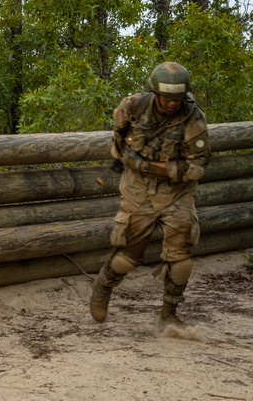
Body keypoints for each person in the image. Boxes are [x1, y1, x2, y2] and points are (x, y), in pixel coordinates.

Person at [90, 61, 211, 327]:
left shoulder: (192, 117)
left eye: (177, 98)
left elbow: (196, 167)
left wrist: (146, 164)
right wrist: (126, 158)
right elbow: (119, 136)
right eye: (167, 98)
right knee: (128, 256)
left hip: (177, 192)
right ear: (155, 93)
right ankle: (103, 286)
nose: (172, 103)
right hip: (138, 188)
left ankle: (169, 314)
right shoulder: (132, 107)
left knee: (181, 261)